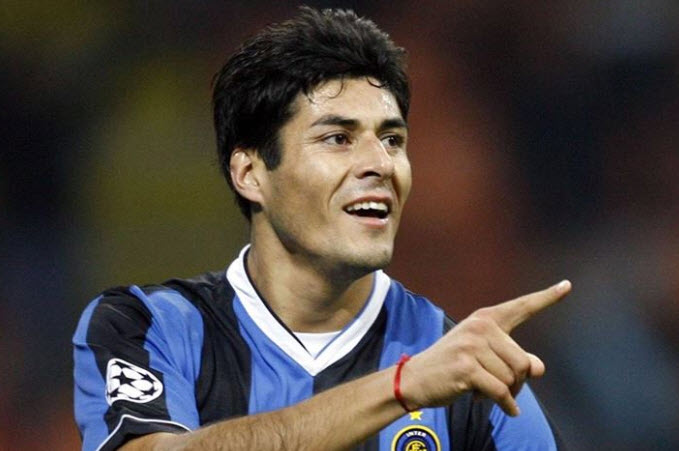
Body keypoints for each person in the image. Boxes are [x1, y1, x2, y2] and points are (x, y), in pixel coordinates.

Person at [73, 7, 570, 451]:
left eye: (392, 140)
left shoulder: (463, 368)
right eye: (338, 138)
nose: (380, 164)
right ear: (250, 174)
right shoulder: (150, 326)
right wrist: (400, 387)